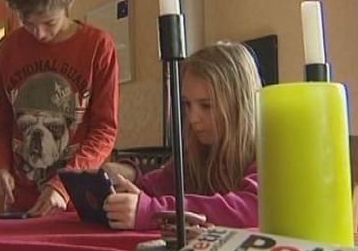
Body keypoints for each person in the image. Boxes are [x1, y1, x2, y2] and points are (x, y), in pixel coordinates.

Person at [0, 0, 119, 217]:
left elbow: (104, 129)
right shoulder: (6, 49)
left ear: (70, 1)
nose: (39, 33)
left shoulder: (98, 46)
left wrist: (64, 186)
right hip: (20, 203)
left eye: (49, 22)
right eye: (28, 23)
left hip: (77, 202)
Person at [103, 41, 261, 230]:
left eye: (206, 106)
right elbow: (159, 184)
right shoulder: (196, 153)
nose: (193, 118)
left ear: (240, 105)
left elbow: (252, 208)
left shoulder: (268, 151)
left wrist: (154, 211)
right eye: (187, 104)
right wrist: (123, 184)